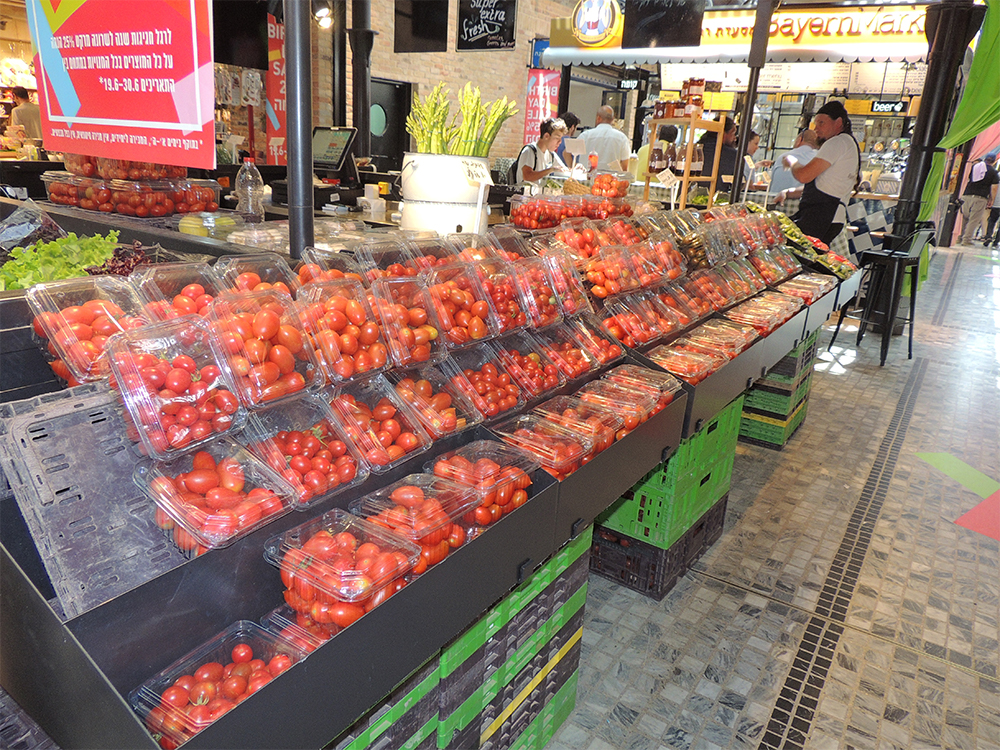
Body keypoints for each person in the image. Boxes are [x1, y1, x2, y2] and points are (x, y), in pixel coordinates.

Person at [776, 100, 861, 245]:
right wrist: (789, 193)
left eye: (821, 123)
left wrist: (792, 161)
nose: (816, 128)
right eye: (816, 124)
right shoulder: (846, 143)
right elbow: (823, 185)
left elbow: (803, 175)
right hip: (828, 217)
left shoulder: (837, 142)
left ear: (838, 122)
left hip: (823, 217)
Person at [515, 118, 568, 191]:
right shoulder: (530, 151)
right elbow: (527, 176)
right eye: (557, 138)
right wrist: (550, 170)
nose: (560, 142)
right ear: (546, 136)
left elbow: (564, 170)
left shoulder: (551, 154)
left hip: (539, 195)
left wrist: (576, 169)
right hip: (526, 195)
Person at [959, 154, 998, 245]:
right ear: (994, 161)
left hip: (966, 195)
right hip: (980, 198)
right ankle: (966, 240)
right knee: (974, 220)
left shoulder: (973, 167)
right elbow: (994, 188)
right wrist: (991, 199)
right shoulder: (993, 172)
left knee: (964, 218)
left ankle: (959, 237)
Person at [580, 106, 631, 172]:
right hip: (611, 177)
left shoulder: (585, 135)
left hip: (587, 176)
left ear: (598, 118)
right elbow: (625, 165)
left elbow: (568, 151)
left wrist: (573, 166)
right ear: (613, 119)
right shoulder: (622, 138)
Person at [769, 129, 820, 194]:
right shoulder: (818, 159)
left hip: (774, 197)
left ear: (799, 140)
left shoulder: (782, 157)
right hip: (800, 198)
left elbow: (772, 185)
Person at [698, 117, 737, 194]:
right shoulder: (731, 154)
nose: (735, 138)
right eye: (733, 134)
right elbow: (737, 184)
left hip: (686, 196)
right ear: (724, 134)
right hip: (716, 198)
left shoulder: (694, 148)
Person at [983, 182, 1000, 247]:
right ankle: (996, 241)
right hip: (996, 203)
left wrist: (991, 200)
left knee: (991, 221)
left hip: (996, 203)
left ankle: (988, 236)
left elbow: (993, 188)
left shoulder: (997, 177)